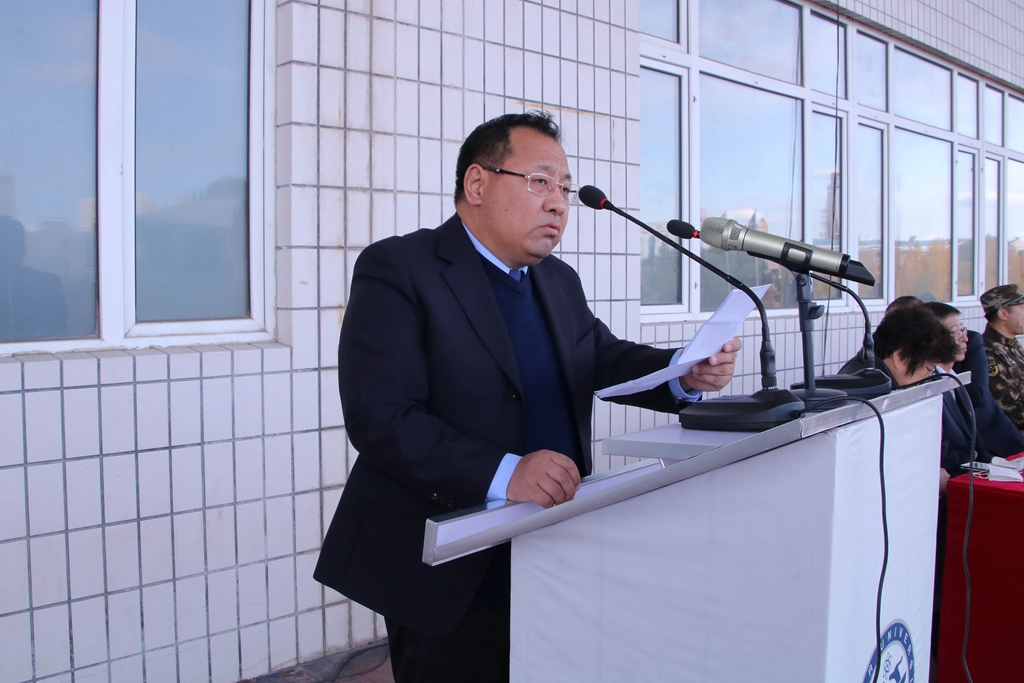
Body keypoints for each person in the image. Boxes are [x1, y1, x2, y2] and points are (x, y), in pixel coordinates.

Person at [313, 112, 740, 682]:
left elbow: (602, 357)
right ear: (477, 183)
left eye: (565, 188)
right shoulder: (401, 268)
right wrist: (505, 472)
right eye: (540, 181)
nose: (559, 203)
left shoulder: (557, 281)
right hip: (449, 561)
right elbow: (381, 417)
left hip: (553, 542)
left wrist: (685, 372)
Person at [922, 301, 1024, 459]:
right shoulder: (927, 384)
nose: (964, 338)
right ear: (933, 338)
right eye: (956, 332)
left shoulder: (953, 377)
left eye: (963, 330)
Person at [980, 284, 1024, 435]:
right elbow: (1010, 410)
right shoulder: (988, 353)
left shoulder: (1012, 345)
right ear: (1003, 314)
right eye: (1022, 309)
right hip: (1015, 439)